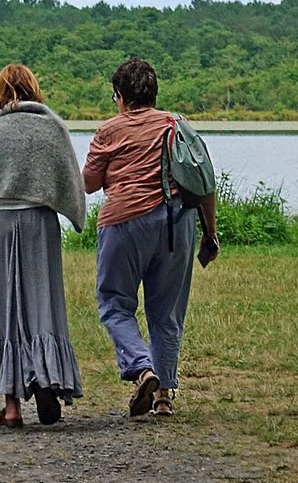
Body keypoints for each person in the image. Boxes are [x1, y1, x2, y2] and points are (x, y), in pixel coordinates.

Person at [83, 58, 218, 417]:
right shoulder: (178, 125)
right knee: (167, 310)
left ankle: (143, 369)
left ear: (121, 98)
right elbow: (204, 182)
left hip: (123, 224)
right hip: (177, 223)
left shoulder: (108, 131)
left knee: (114, 302)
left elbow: (88, 184)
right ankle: (164, 396)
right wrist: (210, 232)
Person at [0, 64, 87, 427]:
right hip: (40, 225)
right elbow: (69, 178)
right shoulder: (55, 128)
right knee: (41, 304)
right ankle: (46, 378)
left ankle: (11, 407)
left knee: (2, 308)